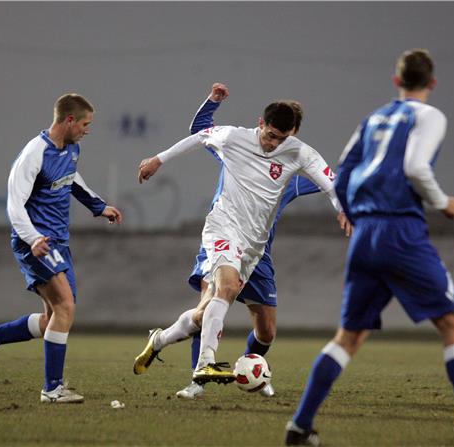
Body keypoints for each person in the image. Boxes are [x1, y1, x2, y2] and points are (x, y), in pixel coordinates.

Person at [284, 49, 454, 447]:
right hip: (401, 232)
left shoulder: (374, 118)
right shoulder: (429, 115)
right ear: (432, 82)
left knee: (349, 337)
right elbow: (415, 167)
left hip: (365, 234)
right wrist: (444, 203)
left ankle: (300, 427)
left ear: (396, 81)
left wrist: (352, 215)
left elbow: (342, 174)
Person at [136, 96, 349, 388]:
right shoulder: (235, 137)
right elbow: (200, 135)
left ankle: (159, 339)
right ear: (261, 124)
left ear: (293, 134)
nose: (273, 144)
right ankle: (204, 367)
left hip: (254, 246)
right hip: (223, 226)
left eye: (281, 139)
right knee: (225, 287)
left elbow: (331, 184)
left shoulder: (299, 153)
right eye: (271, 135)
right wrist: (158, 159)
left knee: (212, 316)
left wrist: (342, 210)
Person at [0, 93, 123, 404]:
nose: (87, 130)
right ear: (69, 121)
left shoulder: (70, 149)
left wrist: (99, 206)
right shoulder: (33, 155)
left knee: (54, 317)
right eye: (85, 123)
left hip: (57, 243)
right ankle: (52, 389)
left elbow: (73, 180)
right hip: (36, 243)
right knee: (66, 307)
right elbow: (15, 206)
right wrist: (32, 238)